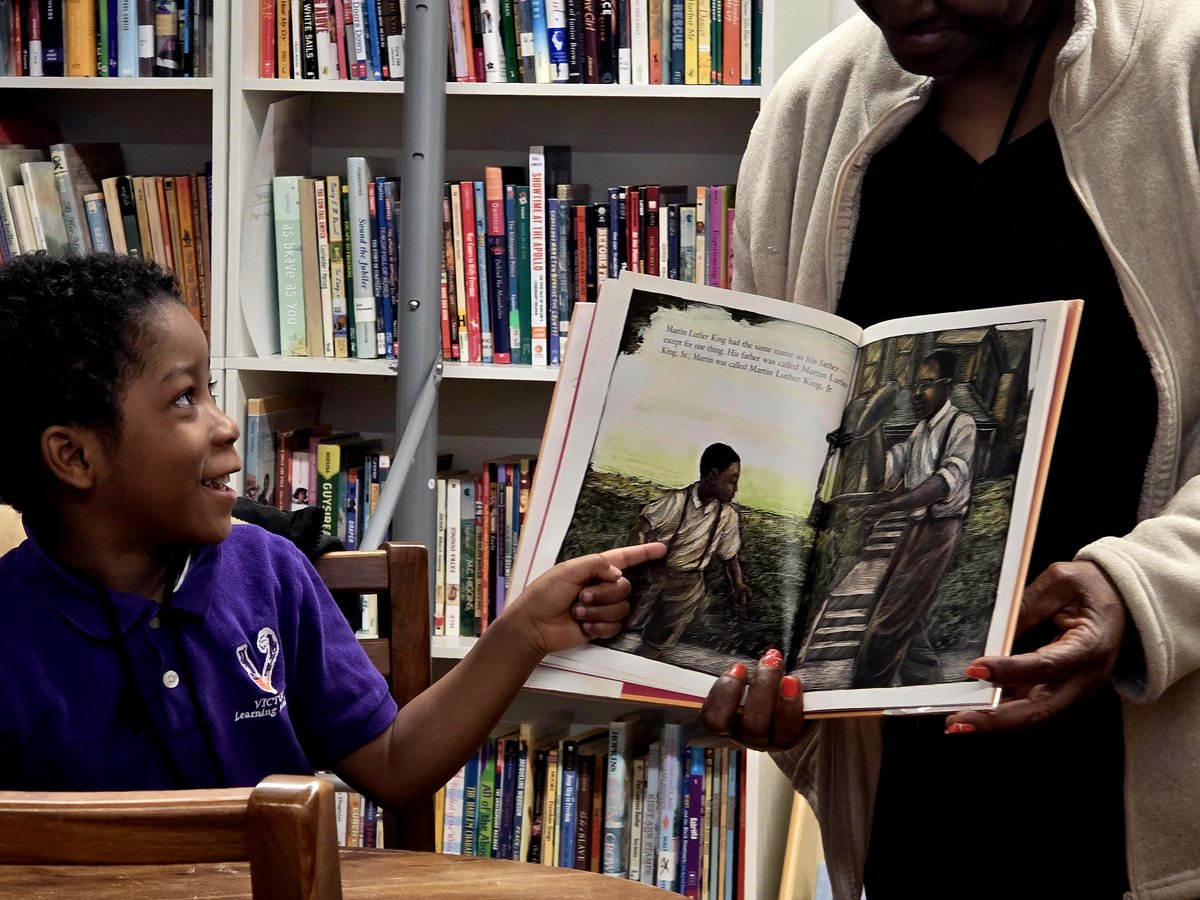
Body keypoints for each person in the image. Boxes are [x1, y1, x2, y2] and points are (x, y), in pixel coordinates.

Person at [701, 1, 1200, 898]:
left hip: (1154, 786)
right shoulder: (815, 108)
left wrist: (1144, 589)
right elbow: (787, 441)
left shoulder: (1182, 72)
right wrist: (758, 660)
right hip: (910, 797)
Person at [0, 253, 666, 800]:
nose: (225, 423)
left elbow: (395, 763)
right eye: (184, 398)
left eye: (210, 391)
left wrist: (524, 631)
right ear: (75, 456)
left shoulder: (269, 571)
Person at [851, 349, 976, 688]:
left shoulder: (960, 424)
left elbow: (941, 484)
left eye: (927, 384)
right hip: (916, 529)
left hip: (939, 531)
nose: (919, 393)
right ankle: (926, 687)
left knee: (887, 623)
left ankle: (865, 691)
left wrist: (888, 508)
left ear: (947, 385)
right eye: (917, 384)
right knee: (902, 614)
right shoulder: (920, 431)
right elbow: (885, 475)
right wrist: (873, 430)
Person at [625, 442, 750, 655]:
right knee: (624, 623)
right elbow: (640, 529)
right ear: (713, 475)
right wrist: (638, 564)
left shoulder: (727, 515)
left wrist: (737, 584)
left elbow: (729, 556)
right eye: (732, 481)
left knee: (659, 641)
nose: (735, 489)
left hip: (688, 586)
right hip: (654, 575)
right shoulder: (676, 501)